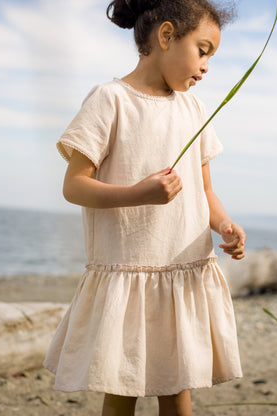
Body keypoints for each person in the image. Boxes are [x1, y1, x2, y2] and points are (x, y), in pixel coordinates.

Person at [43, 0, 246, 415]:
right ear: (167, 36)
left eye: (212, 56)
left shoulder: (194, 109)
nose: (207, 66)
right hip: (129, 270)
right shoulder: (110, 99)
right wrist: (139, 193)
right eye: (203, 50)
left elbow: (205, 191)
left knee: (178, 389)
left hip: (183, 268)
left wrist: (224, 224)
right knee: (123, 385)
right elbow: (74, 185)